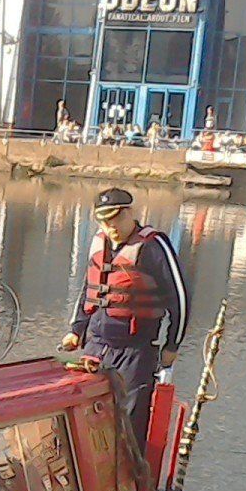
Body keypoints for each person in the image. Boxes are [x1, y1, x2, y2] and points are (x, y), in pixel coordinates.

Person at [59, 187, 190, 452]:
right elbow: (90, 290)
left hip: (135, 351)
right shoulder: (99, 244)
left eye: (116, 219)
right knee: (89, 418)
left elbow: (181, 299)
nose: (111, 227)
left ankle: (130, 481)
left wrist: (172, 346)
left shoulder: (154, 246)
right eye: (105, 222)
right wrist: (77, 329)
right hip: (96, 346)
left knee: (129, 423)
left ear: (130, 213)